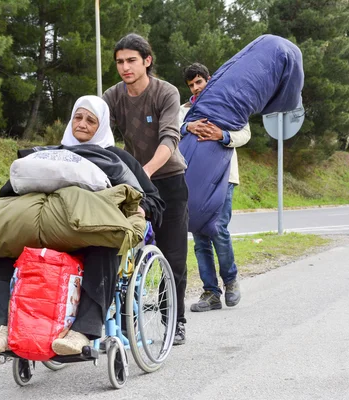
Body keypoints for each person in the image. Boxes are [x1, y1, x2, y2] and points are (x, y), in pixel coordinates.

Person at [0, 95, 164, 356]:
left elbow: (154, 199)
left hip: (91, 236)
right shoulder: (49, 156)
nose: (82, 124)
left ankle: (83, 331)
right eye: (78, 117)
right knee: (7, 255)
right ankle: (2, 329)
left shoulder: (118, 159)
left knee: (103, 250)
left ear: (101, 126)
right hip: (48, 233)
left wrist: (139, 210)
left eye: (91, 120)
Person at [102, 33, 189, 345]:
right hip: (133, 184)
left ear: (147, 61)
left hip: (168, 181)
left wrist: (145, 172)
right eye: (120, 62)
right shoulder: (112, 96)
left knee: (173, 257)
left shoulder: (165, 92)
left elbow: (170, 138)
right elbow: (97, 133)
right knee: (125, 254)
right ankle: (128, 319)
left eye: (131, 61)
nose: (125, 67)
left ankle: (175, 321)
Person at [179, 63, 251, 312]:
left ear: (209, 80)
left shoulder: (228, 102)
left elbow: (245, 133)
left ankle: (230, 280)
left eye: (199, 82)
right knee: (199, 235)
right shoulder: (185, 110)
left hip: (224, 177)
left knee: (218, 228)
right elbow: (171, 131)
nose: (196, 88)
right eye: (191, 85)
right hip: (193, 178)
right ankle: (210, 293)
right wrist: (187, 126)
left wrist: (223, 135)